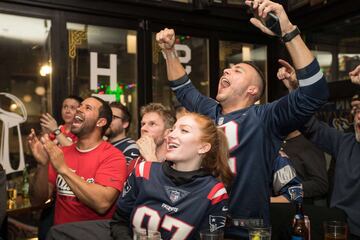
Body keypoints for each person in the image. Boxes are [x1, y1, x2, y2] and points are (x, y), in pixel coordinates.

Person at [156, 0, 329, 237]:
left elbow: (315, 92)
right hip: (201, 222)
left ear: (253, 91)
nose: (226, 71)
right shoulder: (210, 111)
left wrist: (288, 31)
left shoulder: (265, 117)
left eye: (237, 71)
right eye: (228, 69)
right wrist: (168, 50)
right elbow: (183, 88)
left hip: (248, 229)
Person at [46, 113, 232, 240]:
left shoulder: (214, 193)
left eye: (183, 131)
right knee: (57, 233)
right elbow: (120, 222)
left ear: (203, 147)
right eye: (173, 129)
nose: (171, 135)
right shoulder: (144, 171)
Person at [279, 62, 360, 239]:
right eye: (357, 110)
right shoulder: (345, 142)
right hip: (338, 227)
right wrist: (295, 90)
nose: (359, 116)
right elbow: (309, 126)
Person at [28, 96, 127, 225]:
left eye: (87, 108)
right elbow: (37, 200)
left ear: (100, 122)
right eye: (80, 106)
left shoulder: (113, 157)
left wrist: (64, 169)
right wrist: (42, 165)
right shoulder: (62, 153)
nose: (79, 110)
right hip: (60, 234)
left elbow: (102, 204)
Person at [277, 59, 329, 204]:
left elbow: (320, 184)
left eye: (285, 113)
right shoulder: (276, 141)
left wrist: (289, 194)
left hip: (298, 211)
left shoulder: (308, 143)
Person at [128, 103, 175, 174]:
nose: (143, 128)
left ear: (167, 133)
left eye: (152, 124)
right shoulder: (135, 163)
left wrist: (150, 158)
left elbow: (161, 184)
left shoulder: (176, 164)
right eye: (143, 124)